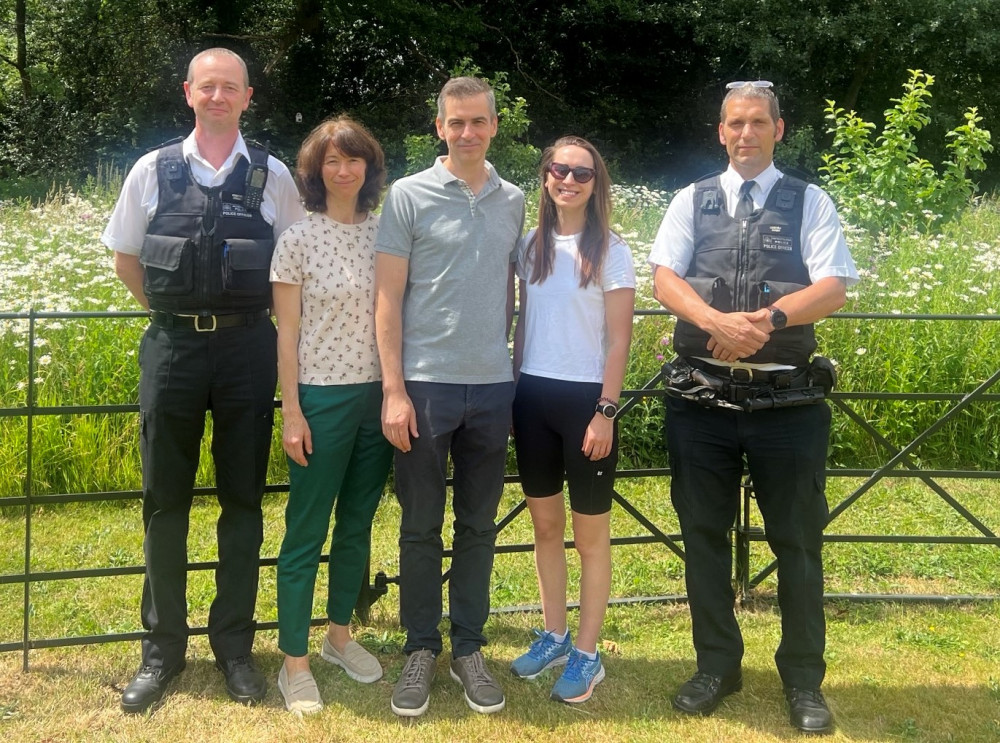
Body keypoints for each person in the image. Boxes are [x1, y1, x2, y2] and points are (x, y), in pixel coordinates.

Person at [648, 80, 858, 734]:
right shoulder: (691, 199)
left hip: (787, 403)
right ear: (720, 130)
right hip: (700, 401)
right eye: (734, 122)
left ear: (778, 128)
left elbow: (833, 286)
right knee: (703, 540)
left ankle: (803, 680)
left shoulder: (809, 201)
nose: (745, 133)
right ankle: (717, 666)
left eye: (757, 122)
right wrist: (713, 318)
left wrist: (762, 320)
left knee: (797, 545)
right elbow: (663, 276)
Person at [102, 47, 305, 714]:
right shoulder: (150, 170)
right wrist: (175, 314)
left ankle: (235, 647)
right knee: (164, 500)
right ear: (189, 92)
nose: (218, 96)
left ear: (249, 97)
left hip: (250, 350)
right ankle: (162, 649)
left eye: (231, 87)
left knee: (243, 501)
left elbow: (292, 271)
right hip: (172, 350)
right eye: (207, 85)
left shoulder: (273, 176)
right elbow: (126, 256)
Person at [374, 76, 525, 717]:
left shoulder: (515, 199)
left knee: (479, 525)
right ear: (439, 127)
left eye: (479, 122)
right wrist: (393, 390)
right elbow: (386, 298)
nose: (468, 133)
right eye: (456, 122)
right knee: (418, 525)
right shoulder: (406, 196)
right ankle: (418, 649)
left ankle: (468, 647)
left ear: (495, 126)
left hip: (493, 386)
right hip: (426, 386)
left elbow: (520, 287)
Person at [270, 116, 393, 715]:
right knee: (306, 529)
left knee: (358, 525)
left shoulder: (387, 233)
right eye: (331, 162)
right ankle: (292, 661)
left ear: (369, 167)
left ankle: (339, 635)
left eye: (354, 160)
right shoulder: (297, 238)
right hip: (320, 398)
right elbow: (286, 334)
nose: (343, 171)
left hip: (378, 396)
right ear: (316, 172)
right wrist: (291, 411)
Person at [509, 137, 635, 703]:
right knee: (544, 530)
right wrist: (512, 389)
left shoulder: (611, 250)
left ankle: (587, 651)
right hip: (530, 397)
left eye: (581, 172)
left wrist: (606, 411)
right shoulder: (529, 244)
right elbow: (522, 324)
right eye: (560, 169)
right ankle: (554, 633)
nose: (569, 179)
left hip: (588, 403)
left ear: (595, 183)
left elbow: (619, 339)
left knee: (590, 538)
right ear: (545, 176)